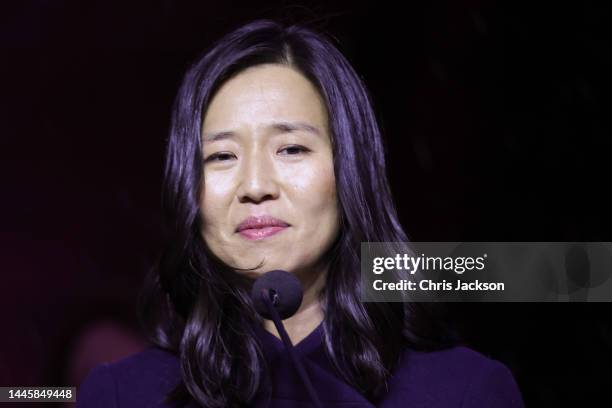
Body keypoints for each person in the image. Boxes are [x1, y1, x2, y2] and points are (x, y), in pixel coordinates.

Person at [76, 19, 524, 408]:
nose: (255, 187)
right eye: (221, 157)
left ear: (350, 171)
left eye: (291, 149)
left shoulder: (464, 392)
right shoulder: (122, 394)